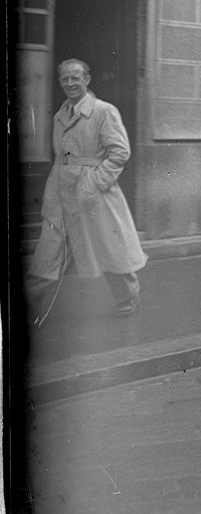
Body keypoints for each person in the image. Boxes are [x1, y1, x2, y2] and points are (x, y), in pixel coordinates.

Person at [28, 59, 147, 320]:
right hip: (62, 191)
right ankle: (28, 306)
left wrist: (94, 183)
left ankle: (127, 296)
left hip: (94, 193)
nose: (70, 83)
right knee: (50, 249)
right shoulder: (60, 115)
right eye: (64, 79)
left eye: (75, 78)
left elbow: (120, 152)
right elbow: (61, 156)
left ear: (87, 79)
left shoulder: (104, 111)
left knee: (107, 247)